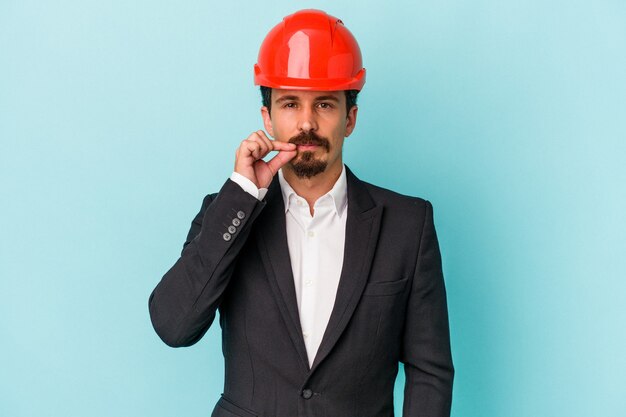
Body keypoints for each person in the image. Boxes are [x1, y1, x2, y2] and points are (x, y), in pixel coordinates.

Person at [149, 9, 454, 417]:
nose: (307, 123)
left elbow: (429, 371)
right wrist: (243, 194)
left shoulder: (407, 225)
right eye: (290, 103)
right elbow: (174, 326)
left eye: (325, 104)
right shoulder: (227, 213)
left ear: (350, 119)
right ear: (267, 118)